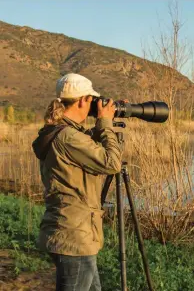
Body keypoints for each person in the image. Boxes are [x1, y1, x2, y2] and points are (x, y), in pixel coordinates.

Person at [32, 73, 122, 291]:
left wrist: (102, 124)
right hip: (74, 236)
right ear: (83, 100)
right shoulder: (67, 137)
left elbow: (85, 144)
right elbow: (112, 163)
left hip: (72, 231)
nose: (93, 106)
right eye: (91, 101)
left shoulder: (61, 132)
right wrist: (106, 125)